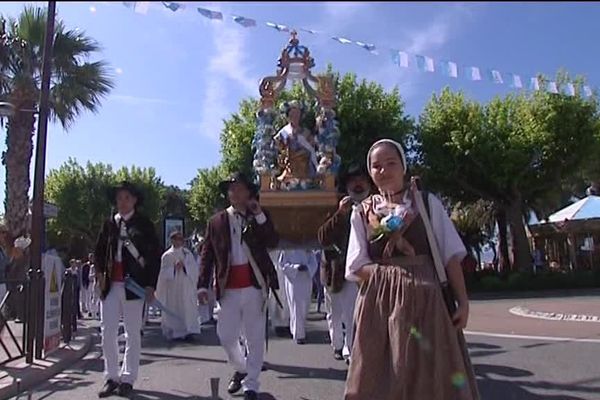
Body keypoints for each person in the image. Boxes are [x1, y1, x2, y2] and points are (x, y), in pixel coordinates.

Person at [344, 139, 479, 400]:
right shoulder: (362, 213)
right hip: (380, 307)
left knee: (432, 373)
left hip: (429, 305)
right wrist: (392, 279)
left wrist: (462, 301)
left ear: (403, 166)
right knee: (383, 374)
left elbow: (450, 254)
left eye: (391, 163)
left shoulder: (427, 204)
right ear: (370, 172)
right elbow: (356, 265)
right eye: (376, 166)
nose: (383, 170)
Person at [197, 172, 279, 400]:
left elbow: (272, 241)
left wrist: (259, 213)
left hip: (255, 285)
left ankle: (251, 384)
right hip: (228, 287)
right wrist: (202, 285)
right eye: (232, 189)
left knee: (254, 336)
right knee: (226, 335)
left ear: (249, 193)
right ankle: (241, 368)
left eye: (241, 188)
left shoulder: (259, 217)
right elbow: (207, 254)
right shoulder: (216, 221)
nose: (236, 193)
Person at [94, 181, 161, 398]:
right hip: (111, 285)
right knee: (108, 331)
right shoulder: (109, 225)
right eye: (119, 198)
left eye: (126, 198)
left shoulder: (144, 225)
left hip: (135, 286)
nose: (122, 202)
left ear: (134, 201)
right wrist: (99, 277)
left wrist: (151, 284)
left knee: (132, 333)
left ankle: (128, 377)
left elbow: (153, 257)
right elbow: (99, 253)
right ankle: (111, 376)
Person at [318, 163, 371, 363]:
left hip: (366, 271)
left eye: (362, 181)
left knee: (355, 314)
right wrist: (340, 214)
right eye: (353, 181)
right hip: (336, 271)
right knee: (336, 313)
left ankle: (352, 351)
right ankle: (338, 345)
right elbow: (323, 238)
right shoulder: (334, 206)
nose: (358, 185)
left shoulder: (376, 205)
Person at [156, 230, 201, 340]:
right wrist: (173, 269)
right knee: (174, 307)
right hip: (173, 287)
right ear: (172, 240)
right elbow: (162, 274)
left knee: (187, 307)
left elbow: (194, 269)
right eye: (177, 239)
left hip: (185, 286)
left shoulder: (187, 253)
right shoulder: (167, 255)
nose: (179, 241)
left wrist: (185, 266)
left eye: (181, 239)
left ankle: (188, 331)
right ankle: (175, 331)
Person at [274, 100, 319, 189]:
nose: (295, 117)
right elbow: (278, 148)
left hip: (305, 168)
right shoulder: (283, 133)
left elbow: (312, 148)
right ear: (288, 116)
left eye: (297, 114)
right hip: (289, 168)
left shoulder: (306, 132)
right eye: (292, 114)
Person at [279, 248, 318, 345]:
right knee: (296, 306)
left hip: (306, 278)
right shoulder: (287, 248)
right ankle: (299, 335)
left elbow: (314, 262)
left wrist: (308, 268)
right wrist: (296, 267)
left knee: (305, 306)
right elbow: (282, 264)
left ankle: (298, 330)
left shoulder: (307, 247)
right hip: (294, 280)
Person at [268, 249, 291, 338]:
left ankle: (286, 324)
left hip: (284, 270)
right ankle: (278, 325)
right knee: (274, 299)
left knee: (286, 299)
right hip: (275, 268)